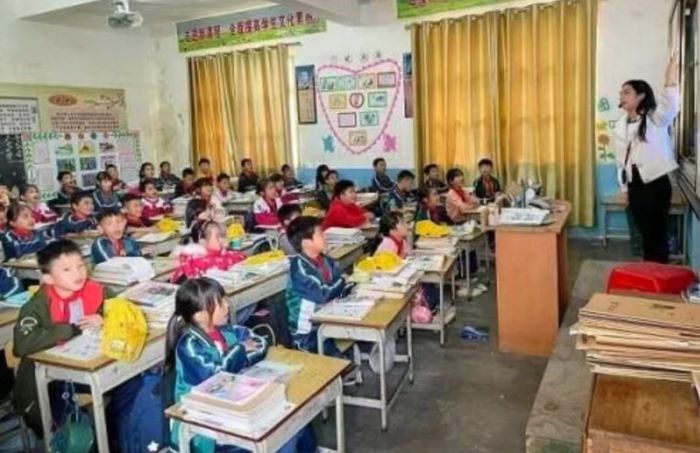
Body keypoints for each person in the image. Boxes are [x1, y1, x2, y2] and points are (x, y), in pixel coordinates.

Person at [165, 278, 307, 453]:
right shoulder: (189, 346)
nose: (227, 305)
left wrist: (239, 357)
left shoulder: (226, 330)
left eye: (225, 299)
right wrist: (240, 350)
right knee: (279, 432)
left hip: (233, 406)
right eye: (219, 302)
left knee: (293, 424)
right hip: (205, 420)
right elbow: (215, 375)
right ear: (200, 315)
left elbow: (260, 342)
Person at [12, 240, 106, 435]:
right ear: (48, 278)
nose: (77, 273)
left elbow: (117, 309)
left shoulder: (93, 289)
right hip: (47, 381)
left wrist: (103, 318)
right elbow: (21, 345)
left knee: (131, 384)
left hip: (84, 367)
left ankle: (118, 436)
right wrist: (69, 330)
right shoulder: (36, 307)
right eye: (66, 269)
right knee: (71, 422)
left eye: (80, 265)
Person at [615, 55, 680, 263]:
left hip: (655, 183)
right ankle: (649, 268)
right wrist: (624, 189)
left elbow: (670, 105)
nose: (622, 96)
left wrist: (670, 78)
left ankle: (658, 270)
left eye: (627, 92)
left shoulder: (654, 118)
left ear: (640, 96)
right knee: (644, 231)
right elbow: (621, 162)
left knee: (656, 232)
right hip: (635, 184)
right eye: (621, 92)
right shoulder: (620, 125)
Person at [286, 216, 348, 355]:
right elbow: (322, 294)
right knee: (338, 363)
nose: (325, 237)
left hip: (328, 320)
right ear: (306, 242)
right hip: (307, 333)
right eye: (320, 234)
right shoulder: (299, 269)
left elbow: (339, 285)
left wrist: (346, 284)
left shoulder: (326, 260)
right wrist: (343, 280)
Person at [376, 212, 438, 310]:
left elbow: (410, 255)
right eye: (402, 223)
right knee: (425, 291)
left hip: (401, 275)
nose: (406, 225)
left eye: (405, 222)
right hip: (386, 282)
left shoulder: (401, 241)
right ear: (392, 230)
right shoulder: (388, 244)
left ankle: (427, 307)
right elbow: (386, 271)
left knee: (429, 286)